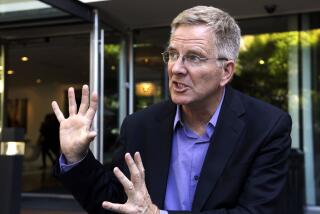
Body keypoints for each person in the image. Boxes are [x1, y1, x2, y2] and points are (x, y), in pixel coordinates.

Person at [52, 6, 292, 214]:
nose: (176, 68)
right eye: (173, 54)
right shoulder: (140, 125)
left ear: (226, 72)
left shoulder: (266, 126)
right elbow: (114, 203)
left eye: (194, 58)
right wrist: (77, 158)